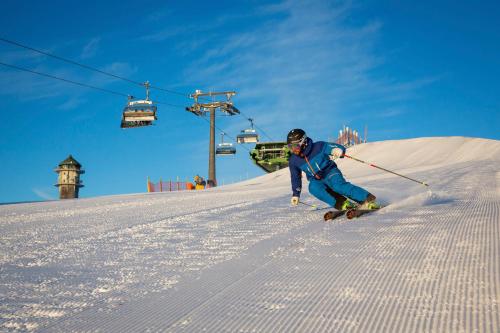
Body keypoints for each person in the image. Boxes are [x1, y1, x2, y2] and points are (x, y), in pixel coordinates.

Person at [287, 128, 379, 210]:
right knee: (313, 188)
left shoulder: (318, 146)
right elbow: (295, 177)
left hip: (330, 172)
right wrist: (296, 194)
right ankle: (343, 203)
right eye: (291, 147)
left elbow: (335, 147)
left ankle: (367, 199)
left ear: (304, 142)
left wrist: (337, 150)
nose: (294, 150)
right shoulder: (294, 160)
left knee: (338, 186)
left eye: (296, 147)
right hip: (316, 179)